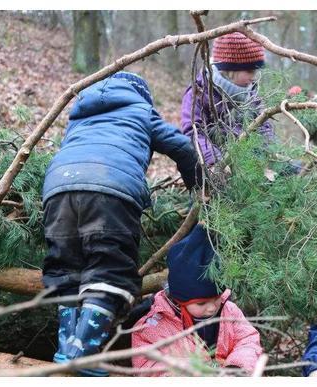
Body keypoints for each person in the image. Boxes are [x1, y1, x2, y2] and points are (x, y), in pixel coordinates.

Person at [41, 71, 201, 376]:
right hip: (111, 190)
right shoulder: (140, 110)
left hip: (57, 189)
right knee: (109, 271)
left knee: (66, 271)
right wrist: (198, 187)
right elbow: (181, 147)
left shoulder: (79, 113)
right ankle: (81, 357)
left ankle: (66, 351)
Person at [131, 224, 262, 376]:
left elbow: (247, 340)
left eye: (217, 298)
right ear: (180, 299)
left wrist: (237, 368)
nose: (212, 307)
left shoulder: (230, 311)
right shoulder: (155, 325)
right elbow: (147, 364)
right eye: (201, 303)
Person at [180, 32, 274, 166]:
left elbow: (264, 125)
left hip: (251, 163)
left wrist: (270, 150)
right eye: (250, 71)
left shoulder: (251, 93)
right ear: (230, 70)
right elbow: (193, 132)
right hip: (215, 164)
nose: (254, 77)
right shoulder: (200, 92)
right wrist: (215, 161)